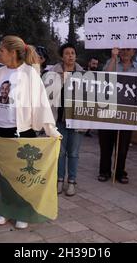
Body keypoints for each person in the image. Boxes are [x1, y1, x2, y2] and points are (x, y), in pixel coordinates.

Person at [0, 35, 61, 229]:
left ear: (12, 53)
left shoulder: (29, 74)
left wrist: (51, 130)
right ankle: (6, 208)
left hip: (21, 132)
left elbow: (41, 103)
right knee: (3, 173)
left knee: (21, 175)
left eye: (1, 51)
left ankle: (23, 211)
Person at [98, 48, 137, 184]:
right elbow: (105, 76)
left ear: (133, 52)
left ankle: (120, 172)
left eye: (128, 50)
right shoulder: (111, 63)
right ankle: (104, 171)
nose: (125, 52)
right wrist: (113, 58)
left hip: (127, 112)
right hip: (108, 109)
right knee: (105, 144)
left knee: (123, 146)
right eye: (122, 50)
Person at [51, 43, 84, 196]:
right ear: (62, 57)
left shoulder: (85, 75)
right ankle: (59, 180)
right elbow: (48, 95)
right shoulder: (53, 72)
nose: (70, 55)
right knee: (60, 152)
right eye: (67, 53)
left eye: (72, 53)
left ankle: (72, 182)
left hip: (77, 119)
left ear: (75, 56)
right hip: (59, 119)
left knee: (74, 152)